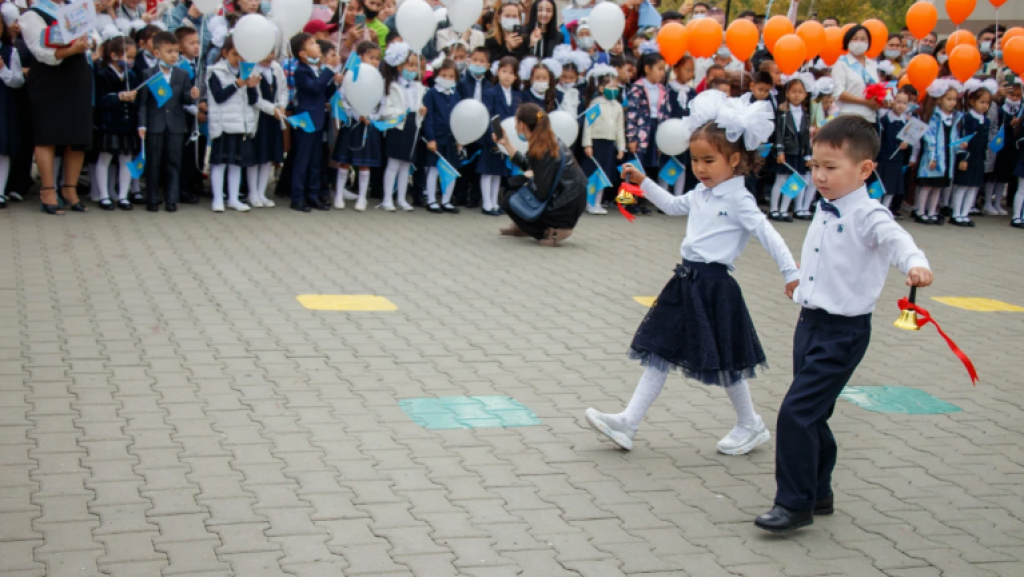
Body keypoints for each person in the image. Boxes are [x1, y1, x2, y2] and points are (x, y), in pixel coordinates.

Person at [584, 90, 799, 454]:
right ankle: (628, 422)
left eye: (708, 160)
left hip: (716, 287)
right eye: (695, 159)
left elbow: (768, 233)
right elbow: (670, 206)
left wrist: (791, 272)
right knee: (660, 352)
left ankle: (750, 423)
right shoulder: (701, 193)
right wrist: (642, 181)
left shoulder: (739, 198)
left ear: (733, 159)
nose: (699, 168)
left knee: (728, 360)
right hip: (685, 281)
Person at [756, 115, 933, 534]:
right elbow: (824, 260)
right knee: (814, 414)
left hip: (844, 333)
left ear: (865, 169)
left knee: (795, 412)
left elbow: (898, 241)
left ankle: (794, 503)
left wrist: (917, 264)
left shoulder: (869, 214)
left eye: (831, 168)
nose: (819, 175)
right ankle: (819, 492)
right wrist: (801, 287)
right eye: (815, 165)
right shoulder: (824, 205)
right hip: (810, 323)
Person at [19, 0, 94, 214]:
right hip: (49, 78)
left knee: (78, 136)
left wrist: (91, 43)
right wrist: (70, 50)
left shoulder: (77, 9)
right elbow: (39, 50)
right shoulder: (33, 15)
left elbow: (94, 35)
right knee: (47, 135)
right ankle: (48, 191)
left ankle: (70, 189)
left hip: (77, 76)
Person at [495, 103, 587, 246]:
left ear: (522, 125)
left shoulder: (542, 148)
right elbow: (531, 166)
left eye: (516, 122)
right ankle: (523, 225)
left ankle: (553, 231)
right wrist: (506, 144)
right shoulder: (546, 140)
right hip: (572, 199)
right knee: (514, 184)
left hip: (565, 206)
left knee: (508, 195)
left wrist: (527, 178)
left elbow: (542, 192)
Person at [137, 31, 194, 213]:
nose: (174, 55)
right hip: (155, 124)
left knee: (174, 162)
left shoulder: (182, 74)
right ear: (157, 53)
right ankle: (152, 198)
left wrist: (192, 96)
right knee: (154, 163)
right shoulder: (149, 73)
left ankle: (171, 199)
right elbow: (143, 103)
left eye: (176, 51)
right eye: (169, 51)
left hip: (175, 125)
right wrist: (142, 124)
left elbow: (185, 99)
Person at [289, 32, 343, 212]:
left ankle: (312, 195)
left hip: (318, 119)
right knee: (302, 160)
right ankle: (297, 197)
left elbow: (323, 93)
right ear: (302, 54)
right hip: (306, 120)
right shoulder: (301, 71)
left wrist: (334, 83)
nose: (317, 46)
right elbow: (314, 88)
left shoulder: (317, 70)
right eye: (312, 44)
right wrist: (328, 71)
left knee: (315, 161)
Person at [205, 35, 259, 213]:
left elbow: (253, 101)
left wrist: (251, 87)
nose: (239, 59)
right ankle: (218, 198)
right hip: (223, 125)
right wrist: (237, 84)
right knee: (220, 163)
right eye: (235, 54)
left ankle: (234, 198)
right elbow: (219, 97)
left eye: (242, 55)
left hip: (241, 125)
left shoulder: (249, 72)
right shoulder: (215, 72)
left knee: (236, 163)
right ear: (225, 53)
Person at [331, 40, 383, 212]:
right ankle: (338, 194)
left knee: (364, 162)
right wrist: (356, 114)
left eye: (377, 58)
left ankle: (362, 197)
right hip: (351, 123)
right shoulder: (350, 76)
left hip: (368, 125)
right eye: (371, 57)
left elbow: (381, 102)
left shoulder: (379, 78)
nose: (375, 61)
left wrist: (371, 116)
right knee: (344, 161)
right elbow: (343, 98)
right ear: (360, 57)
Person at [93, 35, 139, 211]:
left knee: (126, 158)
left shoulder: (132, 76)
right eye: (128, 57)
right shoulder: (102, 74)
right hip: (109, 123)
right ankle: (104, 195)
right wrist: (119, 97)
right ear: (113, 56)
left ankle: (123, 196)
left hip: (127, 124)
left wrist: (133, 99)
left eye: (133, 57)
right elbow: (100, 100)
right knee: (105, 158)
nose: (130, 61)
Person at [380, 41, 425, 212]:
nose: (414, 69)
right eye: (410, 65)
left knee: (406, 164)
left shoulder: (419, 87)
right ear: (399, 66)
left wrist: (421, 112)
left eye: (416, 66)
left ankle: (401, 198)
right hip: (398, 126)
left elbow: (418, 105)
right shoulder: (392, 86)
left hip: (413, 126)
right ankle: (387, 199)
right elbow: (386, 108)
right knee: (393, 164)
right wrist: (399, 113)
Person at [625, 51, 670, 215]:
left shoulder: (662, 89)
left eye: (663, 69)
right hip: (640, 131)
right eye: (659, 68)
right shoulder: (637, 87)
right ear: (647, 68)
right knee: (635, 167)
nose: (662, 72)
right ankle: (627, 201)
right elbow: (631, 114)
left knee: (649, 168)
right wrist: (631, 137)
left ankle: (642, 200)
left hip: (656, 130)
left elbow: (666, 112)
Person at [912, 79, 961, 225]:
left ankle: (932, 212)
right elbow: (929, 136)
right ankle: (920, 211)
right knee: (927, 185)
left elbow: (954, 137)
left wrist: (959, 146)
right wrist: (933, 156)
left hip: (947, 156)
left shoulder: (955, 117)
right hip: (933, 156)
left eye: (954, 99)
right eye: (948, 99)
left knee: (938, 187)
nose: (952, 103)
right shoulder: (933, 116)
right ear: (939, 100)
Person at [478, 55, 521, 216]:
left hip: (506, 139)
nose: (507, 75)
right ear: (498, 72)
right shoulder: (491, 92)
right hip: (493, 138)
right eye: (504, 71)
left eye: (511, 73)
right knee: (488, 170)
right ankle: (486, 203)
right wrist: (492, 136)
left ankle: (495, 202)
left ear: (516, 76)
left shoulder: (517, 95)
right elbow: (487, 115)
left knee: (498, 172)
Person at [951, 79, 994, 227]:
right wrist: (963, 157)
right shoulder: (966, 119)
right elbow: (962, 139)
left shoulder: (986, 121)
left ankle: (965, 213)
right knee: (962, 186)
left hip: (978, 158)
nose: (984, 106)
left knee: (973, 187)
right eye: (981, 102)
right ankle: (956, 213)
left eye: (987, 103)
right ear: (972, 101)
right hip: (967, 157)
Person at [581, 64, 625, 214]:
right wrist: (587, 144)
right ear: (601, 88)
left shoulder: (618, 106)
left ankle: (598, 202)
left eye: (616, 87)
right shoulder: (596, 104)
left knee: (604, 175)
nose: (614, 90)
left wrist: (621, 147)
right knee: (594, 174)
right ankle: (589, 202)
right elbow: (588, 125)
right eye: (610, 86)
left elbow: (620, 128)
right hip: (596, 143)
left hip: (609, 144)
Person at [770, 74, 812, 222]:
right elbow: (779, 134)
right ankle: (774, 209)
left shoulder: (805, 114)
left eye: (800, 92)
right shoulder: (782, 112)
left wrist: (808, 155)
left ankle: (784, 209)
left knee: (794, 181)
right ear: (787, 93)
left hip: (798, 153)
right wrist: (780, 150)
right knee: (781, 179)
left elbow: (806, 136)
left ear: (805, 95)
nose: (796, 95)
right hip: (786, 152)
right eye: (793, 91)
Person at [422, 58, 462, 213]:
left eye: (451, 76)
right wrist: (431, 138)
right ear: (437, 75)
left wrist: (460, 138)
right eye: (444, 75)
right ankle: (431, 200)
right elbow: (429, 117)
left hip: (451, 139)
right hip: (437, 139)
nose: (447, 79)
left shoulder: (456, 95)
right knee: (433, 169)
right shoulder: (431, 94)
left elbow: (459, 118)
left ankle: (446, 200)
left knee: (450, 170)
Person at [251, 51, 287, 209]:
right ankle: (252, 193)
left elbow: (283, 90)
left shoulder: (276, 68)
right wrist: (272, 108)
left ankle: (261, 192)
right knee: (256, 156)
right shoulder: (252, 69)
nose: (269, 57)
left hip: (275, 117)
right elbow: (254, 98)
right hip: (259, 117)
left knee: (268, 156)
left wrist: (281, 106)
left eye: (272, 53)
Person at [875, 88, 915, 212]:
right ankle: (875, 209)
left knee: (891, 188)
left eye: (904, 103)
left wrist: (906, 145)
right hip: (884, 158)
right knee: (879, 187)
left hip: (897, 160)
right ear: (892, 101)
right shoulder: (884, 120)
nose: (901, 106)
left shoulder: (907, 122)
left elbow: (911, 140)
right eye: (898, 102)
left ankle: (885, 210)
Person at [831, 24, 880, 122]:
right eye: (855, 38)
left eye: (863, 39)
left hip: (870, 117)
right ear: (848, 41)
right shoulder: (841, 64)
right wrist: (865, 102)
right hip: (850, 117)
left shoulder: (872, 64)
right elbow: (838, 92)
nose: (859, 42)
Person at [0, 9, 24, 209]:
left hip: (3, 103)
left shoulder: (10, 51)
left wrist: (3, 70)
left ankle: (0, 191)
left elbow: (18, 81)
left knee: (3, 149)